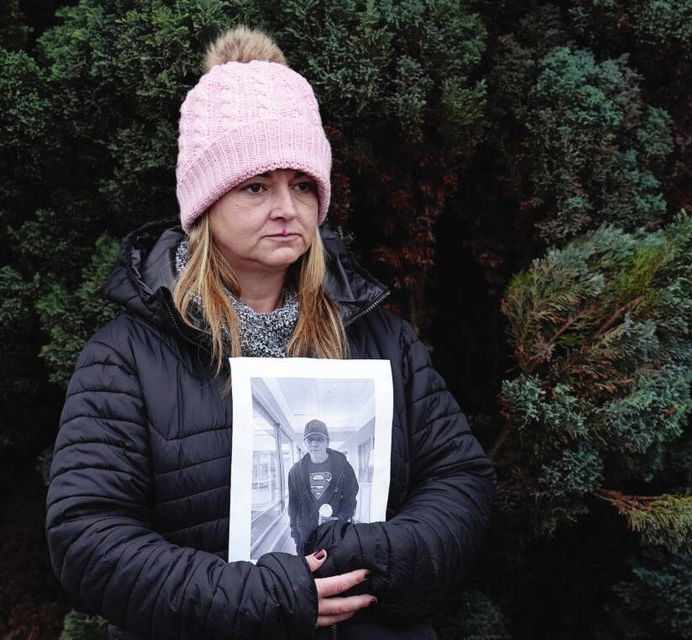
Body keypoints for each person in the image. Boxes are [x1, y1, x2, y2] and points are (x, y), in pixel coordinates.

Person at [46, 26, 495, 640]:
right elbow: (87, 537)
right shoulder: (124, 357)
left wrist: (383, 552)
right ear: (205, 203)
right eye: (257, 185)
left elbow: (461, 480)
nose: (288, 207)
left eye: (303, 184)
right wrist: (263, 598)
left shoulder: (379, 337)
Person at [288, 419, 359, 556]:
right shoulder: (295, 471)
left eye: (319, 439)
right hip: (306, 536)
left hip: (334, 534)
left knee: (333, 573)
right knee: (308, 574)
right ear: (305, 443)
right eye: (310, 440)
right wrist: (295, 535)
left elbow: (350, 498)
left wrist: (340, 518)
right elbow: (293, 504)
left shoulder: (343, 467)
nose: (314, 444)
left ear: (327, 441)